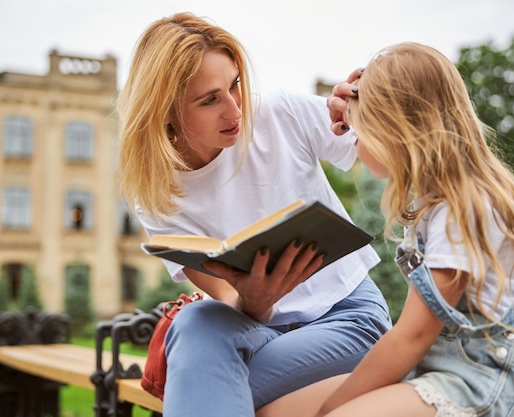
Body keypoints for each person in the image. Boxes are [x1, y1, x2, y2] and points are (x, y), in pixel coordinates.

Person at [257, 42, 514, 417]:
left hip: (487, 375)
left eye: (360, 132)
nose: (352, 141)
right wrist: (359, 101)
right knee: (274, 413)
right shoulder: (434, 201)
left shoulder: (462, 206)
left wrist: (331, 409)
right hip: (441, 361)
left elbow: (413, 335)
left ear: (397, 131)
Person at [116, 12, 391, 417]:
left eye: (235, 85)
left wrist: (366, 110)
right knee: (194, 322)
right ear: (166, 112)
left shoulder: (279, 115)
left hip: (347, 318)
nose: (234, 110)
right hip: (256, 328)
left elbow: (386, 155)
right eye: (210, 100)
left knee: (208, 391)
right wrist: (255, 301)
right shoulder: (157, 193)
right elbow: (228, 300)